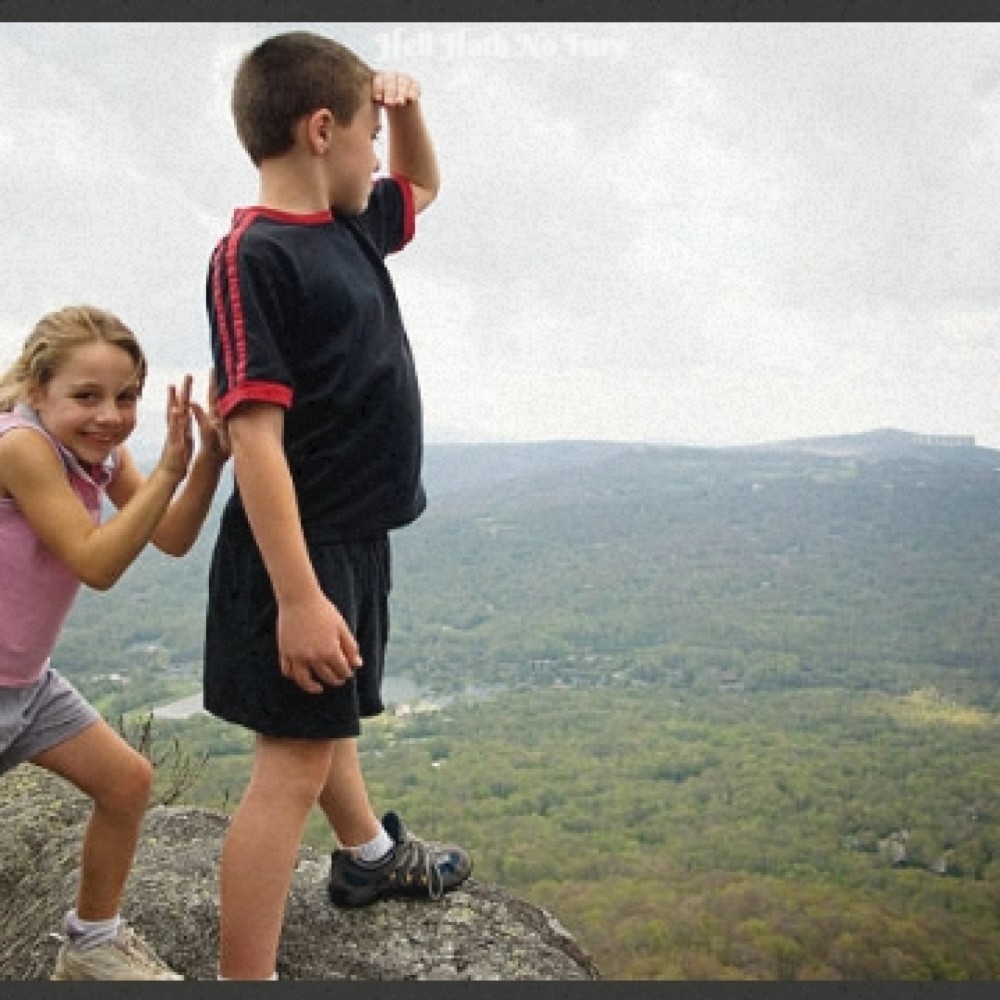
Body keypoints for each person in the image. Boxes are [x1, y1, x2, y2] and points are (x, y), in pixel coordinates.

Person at [203, 30, 471, 981]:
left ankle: (364, 860)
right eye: (367, 135)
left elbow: (425, 188)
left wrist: (405, 113)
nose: (380, 157)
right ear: (322, 130)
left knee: (325, 728)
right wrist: (300, 597)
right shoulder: (254, 256)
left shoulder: (351, 225)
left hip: (349, 539)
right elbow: (255, 439)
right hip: (298, 553)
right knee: (291, 767)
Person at [0, 304, 229, 980]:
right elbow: (96, 563)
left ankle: (92, 944)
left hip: (28, 685)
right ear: (38, 391)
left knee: (127, 783)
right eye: (87, 396)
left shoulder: (96, 454)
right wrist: (165, 473)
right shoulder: (21, 447)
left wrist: (205, 462)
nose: (109, 415)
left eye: (126, 397)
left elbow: (173, 537)